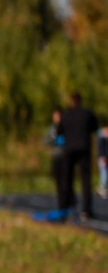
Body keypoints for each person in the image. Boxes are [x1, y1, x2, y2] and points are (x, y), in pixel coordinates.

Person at [53, 92, 99, 222]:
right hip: (84, 148)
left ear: (71, 102)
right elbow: (95, 127)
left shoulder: (66, 115)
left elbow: (59, 132)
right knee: (86, 180)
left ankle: (65, 208)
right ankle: (86, 210)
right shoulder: (87, 114)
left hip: (69, 150)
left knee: (67, 179)